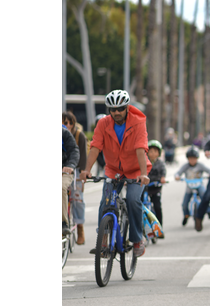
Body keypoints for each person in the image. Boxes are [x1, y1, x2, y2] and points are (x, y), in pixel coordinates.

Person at [80, 89, 152, 258]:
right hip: (113, 169)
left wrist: (143, 174)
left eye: (120, 108)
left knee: (133, 200)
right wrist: (86, 170)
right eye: (113, 109)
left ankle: (136, 240)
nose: (117, 112)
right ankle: (103, 240)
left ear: (127, 107)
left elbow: (141, 149)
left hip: (136, 170)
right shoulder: (103, 124)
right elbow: (96, 147)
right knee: (105, 202)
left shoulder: (138, 122)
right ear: (109, 110)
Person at [63, 111, 88, 245]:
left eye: (69, 123)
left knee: (77, 198)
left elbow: (83, 156)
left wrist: (82, 174)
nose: (66, 125)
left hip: (76, 169)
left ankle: (80, 228)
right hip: (62, 169)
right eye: (64, 122)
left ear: (73, 124)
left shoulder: (79, 135)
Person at [175, 147, 210, 227]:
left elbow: (209, 170)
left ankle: (208, 210)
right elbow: (178, 172)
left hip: (199, 185)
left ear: (197, 158)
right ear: (187, 158)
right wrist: (177, 176)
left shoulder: (200, 165)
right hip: (189, 187)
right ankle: (186, 215)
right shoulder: (186, 166)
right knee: (184, 203)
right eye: (190, 158)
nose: (192, 160)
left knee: (205, 197)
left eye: (194, 158)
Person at [62, 125, 80, 237]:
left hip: (63, 171)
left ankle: (63, 223)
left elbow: (74, 150)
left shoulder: (63, 133)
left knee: (60, 188)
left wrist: (70, 165)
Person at [146, 140, 167, 229]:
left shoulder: (160, 163)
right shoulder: (145, 162)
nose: (153, 154)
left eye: (155, 151)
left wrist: (162, 178)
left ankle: (159, 226)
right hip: (145, 187)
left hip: (156, 187)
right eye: (151, 151)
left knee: (157, 207)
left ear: (159, 153)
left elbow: (163, 171)